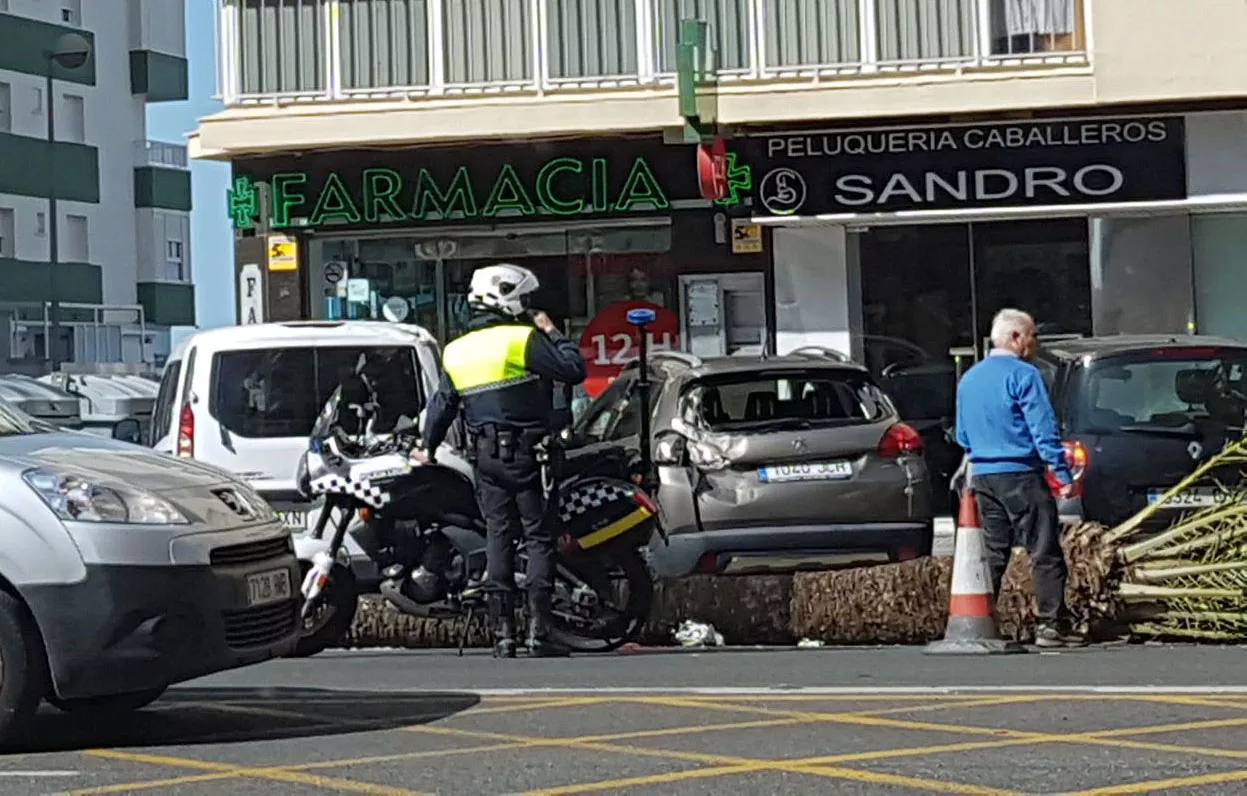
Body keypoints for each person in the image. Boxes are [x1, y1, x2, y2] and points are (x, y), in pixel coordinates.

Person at [412, 263, 587, 659]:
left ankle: (502, 634)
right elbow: (574, 370)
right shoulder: (520, 340)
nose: (527, 306)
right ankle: (539, 633)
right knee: (539, 538)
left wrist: (427, 447)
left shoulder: (456, 350)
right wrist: (551, 331)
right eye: (524, 299)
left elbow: (441, 407)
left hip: (485, 458)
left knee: (498, 538)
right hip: (529, 455)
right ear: (506, 298)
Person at [954, 308, 1085, 648]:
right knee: (1044, 549)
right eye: (1032, 336)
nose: (1035, 343)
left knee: (994, 553)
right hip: (1021, 474)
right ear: (1015, 338)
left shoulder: (969, 379)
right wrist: (1061, 472)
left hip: (983, 477)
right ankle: (1050, 626)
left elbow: (963, 435)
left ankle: (981, 621)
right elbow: (1043, 429)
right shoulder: (1025, 375)